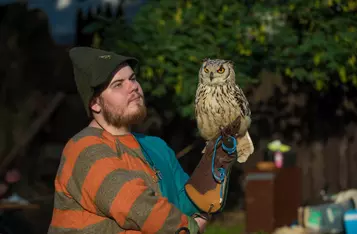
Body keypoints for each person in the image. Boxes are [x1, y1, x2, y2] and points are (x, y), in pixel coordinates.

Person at [47, 47, 209, 234]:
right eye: (118, 84)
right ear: (95, 103)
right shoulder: (84, 149)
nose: (133, 87)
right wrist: (191, 228)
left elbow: (191, 200)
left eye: (132, 79)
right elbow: (140, 208)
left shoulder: (156, 146)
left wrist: (212, 181)